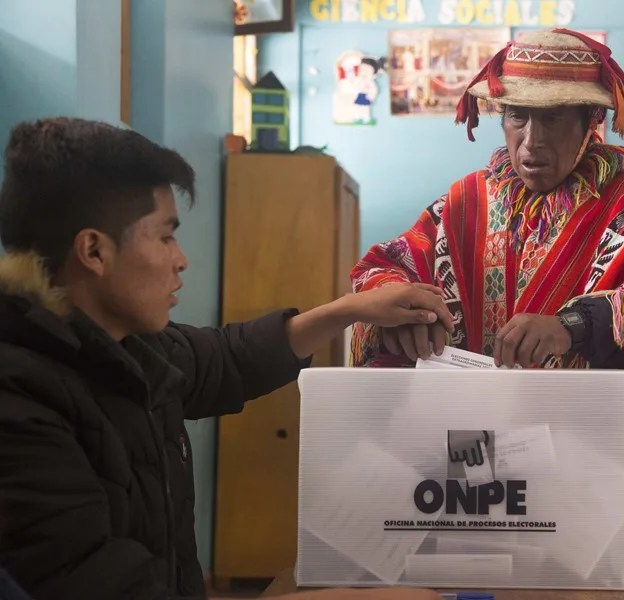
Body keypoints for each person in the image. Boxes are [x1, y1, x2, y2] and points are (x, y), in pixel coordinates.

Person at [350, 29, 624, 600]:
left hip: (605, 467)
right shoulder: (467, 203)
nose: (530, 140)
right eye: (516, 117)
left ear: (592, 121)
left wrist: (576, 326)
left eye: (554, 119)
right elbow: (384, 269)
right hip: (477, 469)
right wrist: (403, 312)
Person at [0, 118, 445, 600]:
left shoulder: (126, 344)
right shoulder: (20, 403)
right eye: (165, 236)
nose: (181, 259)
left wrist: (351, 308)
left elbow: (227, 359)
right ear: (93, 250)